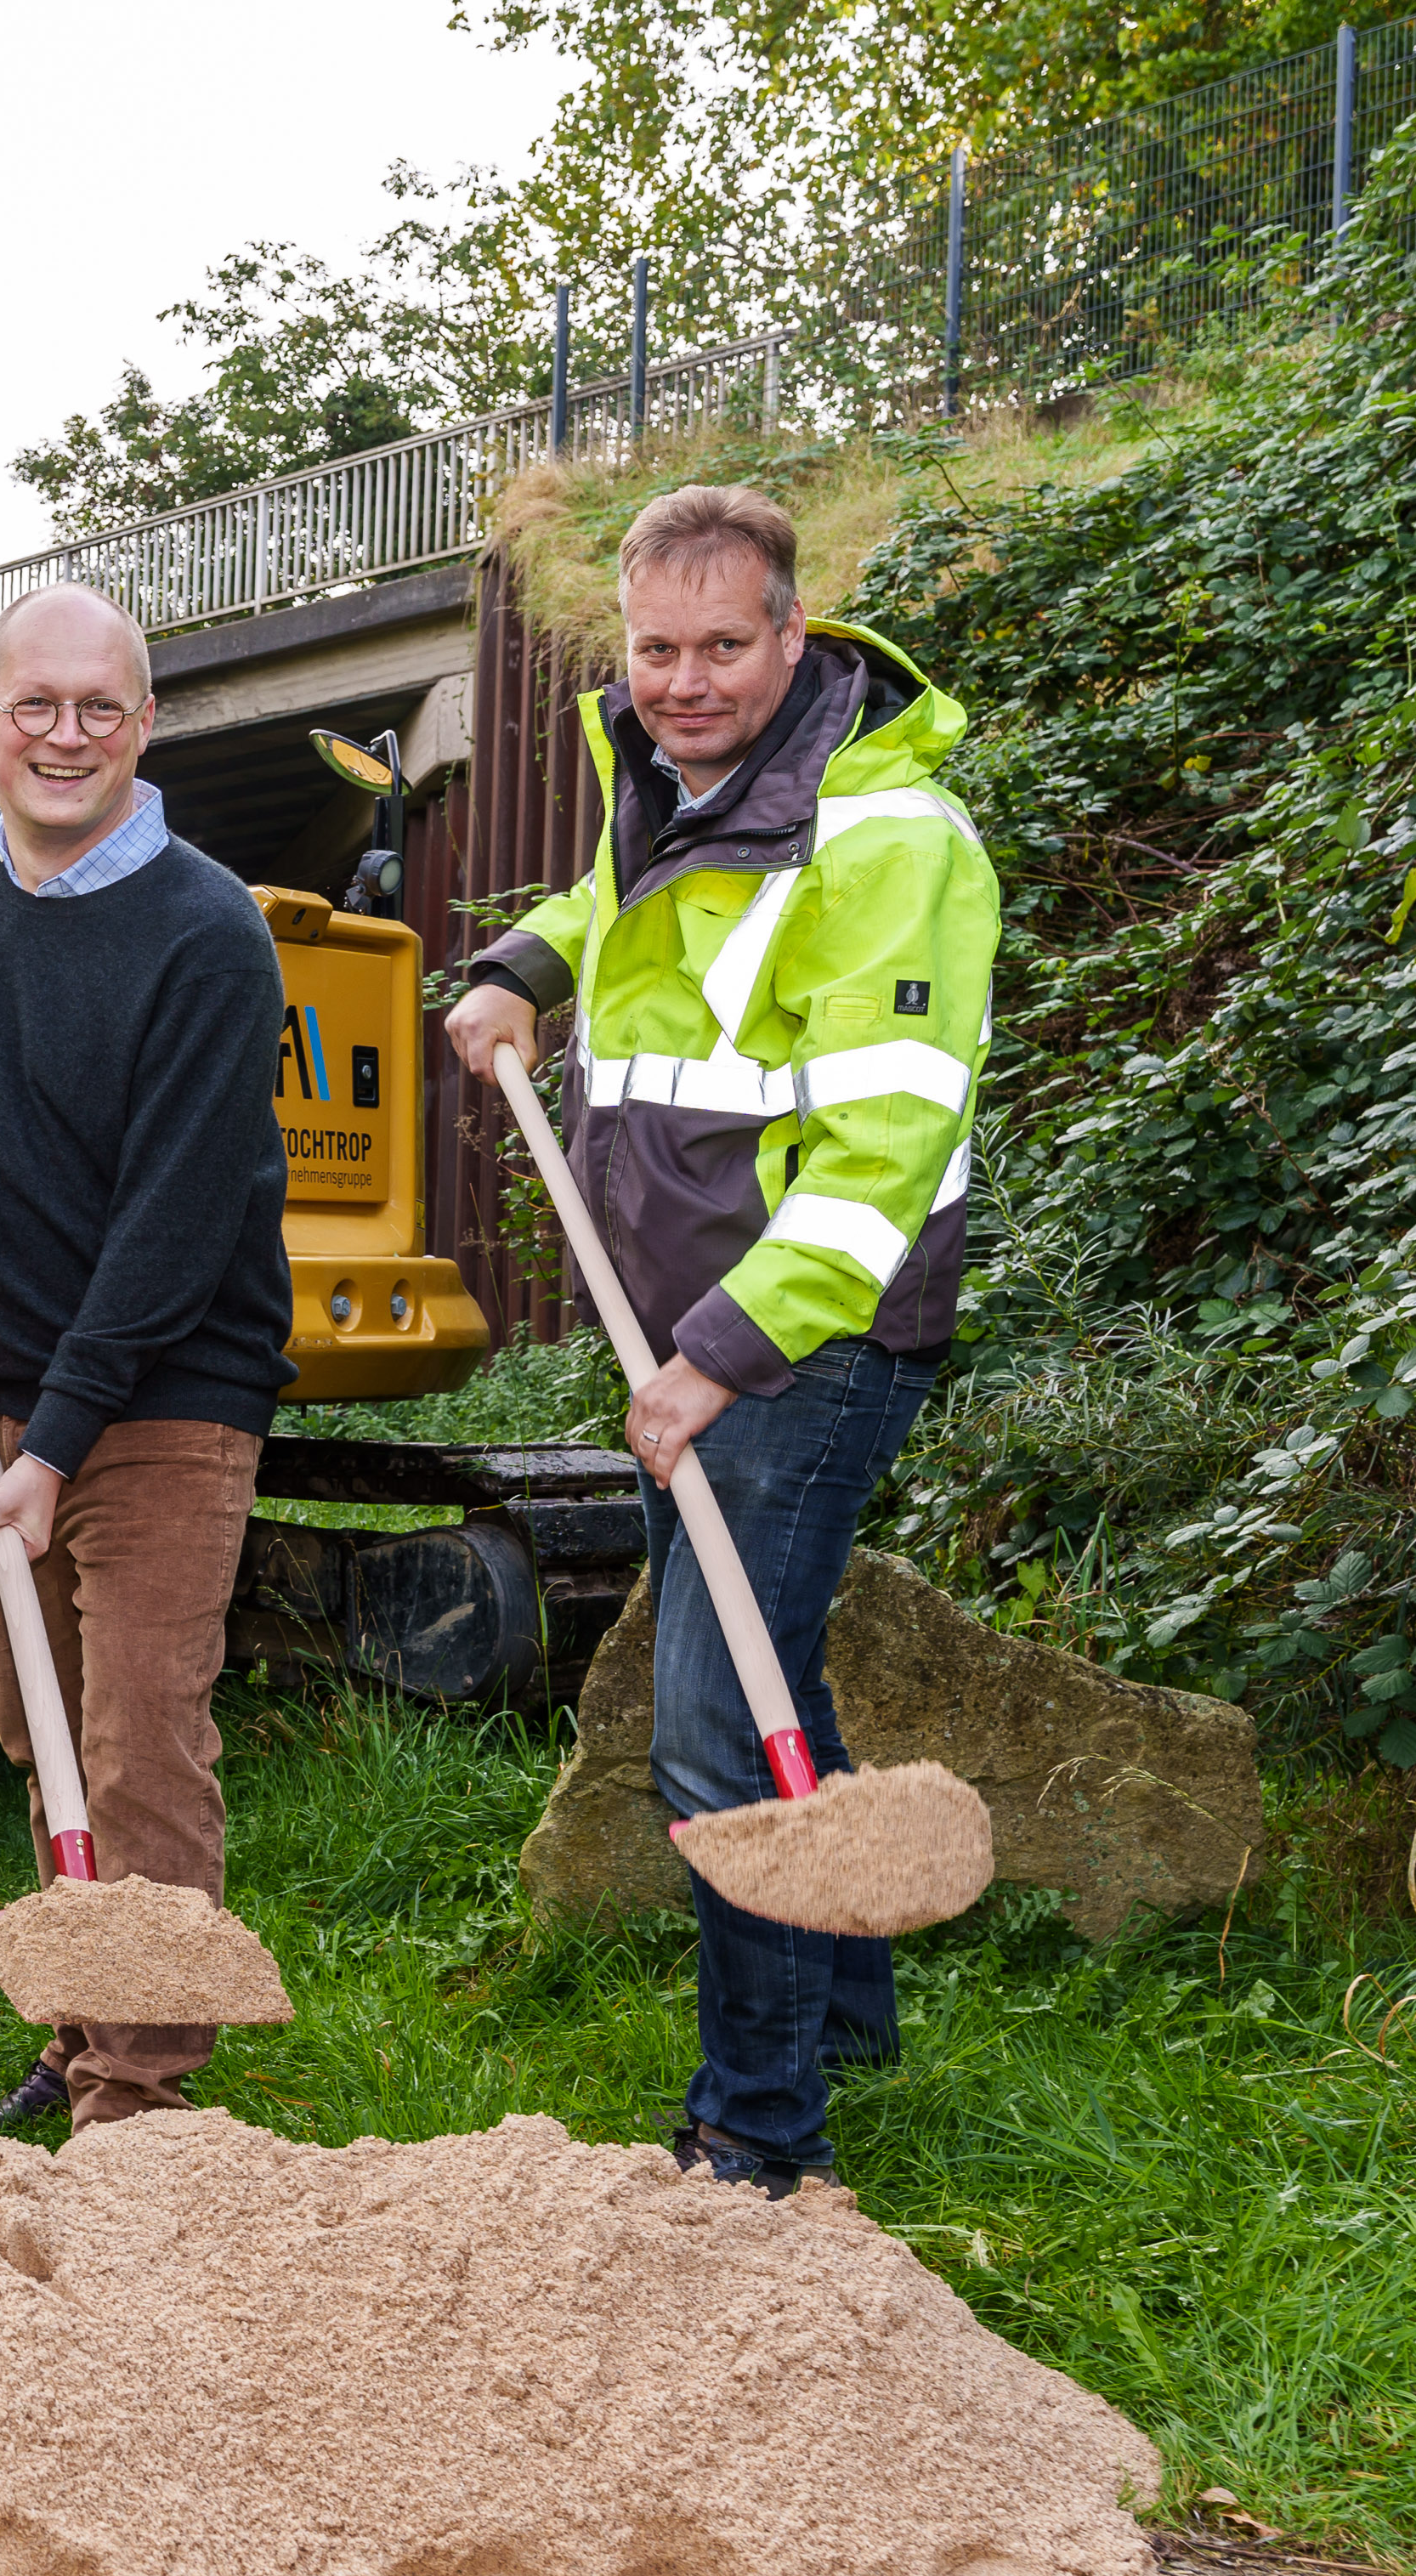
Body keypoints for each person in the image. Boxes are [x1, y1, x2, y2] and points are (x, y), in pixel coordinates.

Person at [443, 484, 1000, 2200]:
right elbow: (627, 900)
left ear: (793, 630)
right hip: (713, 1327)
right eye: (654, 648)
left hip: (807, 1341)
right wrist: (521, 974)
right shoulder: (685, 782)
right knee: (773, 1683)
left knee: (711, 1726)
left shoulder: (886, 841)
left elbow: (881, 1157)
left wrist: (718, 1356)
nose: (681, 680)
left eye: (718, 648)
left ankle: (756, 2136)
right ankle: (835, 2015)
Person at [0, 581, 298, 2143]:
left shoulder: (202, 929)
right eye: (29, 704)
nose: (62, 735)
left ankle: (140, 2101)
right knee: (24, 1712)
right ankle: (78, 2023)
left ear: (144, 724)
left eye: (96, 708)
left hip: (165, 1385)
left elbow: (176, 1224)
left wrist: (52, 1450)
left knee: (132, 1736)